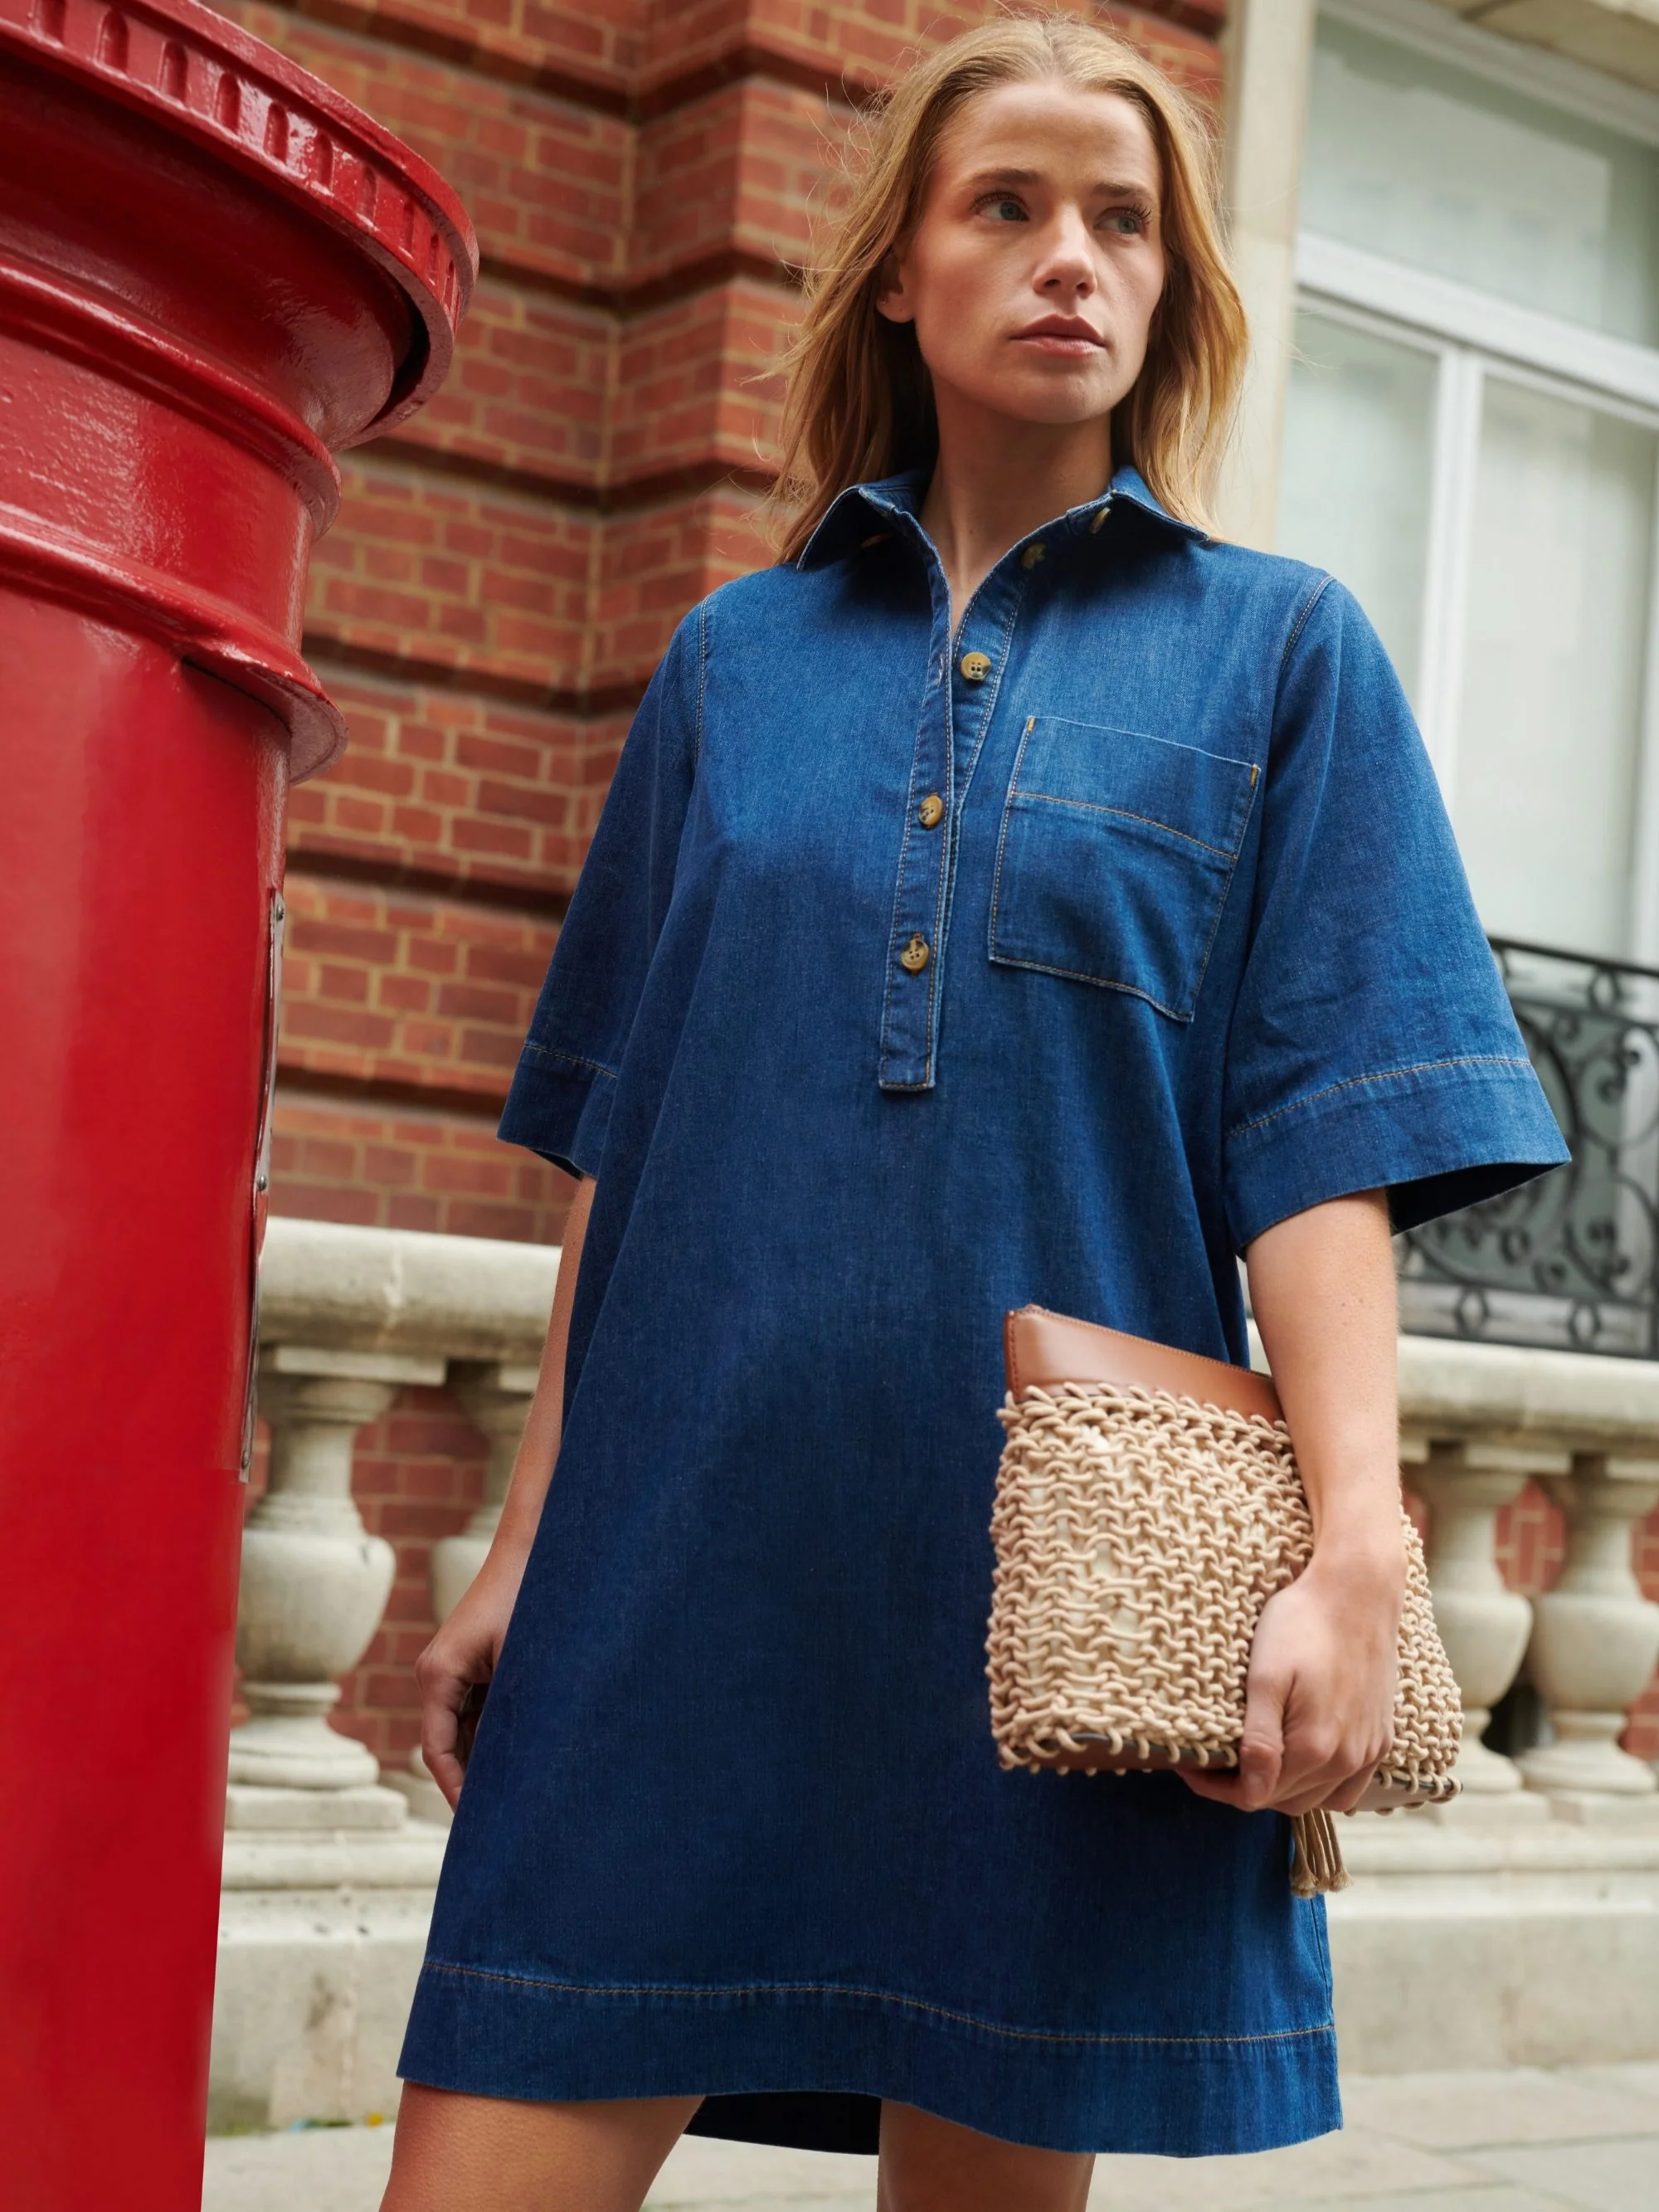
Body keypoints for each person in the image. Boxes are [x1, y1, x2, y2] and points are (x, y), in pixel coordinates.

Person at [382, 17, 1565, 2210]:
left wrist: (1360, 1553)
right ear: (904, 278)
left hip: (1055, 1604)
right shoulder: (735, 664)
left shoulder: (1280, 657)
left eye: (1120, 220)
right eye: (1005, 206)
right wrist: (526, 1544)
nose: (1068, 258)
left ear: (1172, 292)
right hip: (677, 1570)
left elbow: (1319, 1155)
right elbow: (629, 1159)